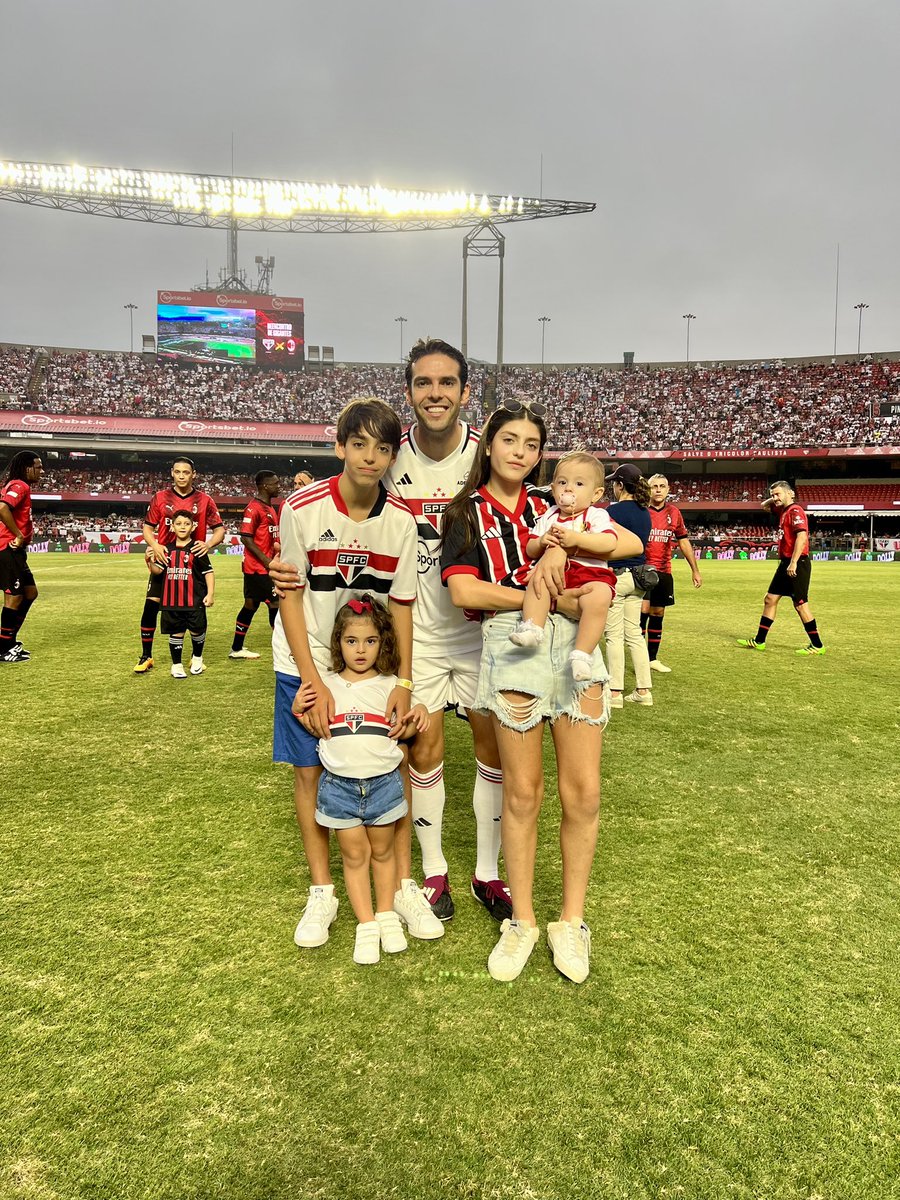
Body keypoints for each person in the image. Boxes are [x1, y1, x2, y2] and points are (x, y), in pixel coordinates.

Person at [440, 400, 642, 984]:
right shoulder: (463, 512)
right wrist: (551, 592)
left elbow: (628, 544)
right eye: (509, 439)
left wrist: (562, 545)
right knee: (522, 794)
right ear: (489, 444)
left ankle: (571, 920)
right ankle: (523, 920)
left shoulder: (554, 502)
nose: (520, 452)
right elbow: (466, 595)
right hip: (516, 644)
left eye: (532, 444)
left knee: (583, 793)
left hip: (577, 644)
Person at [272, 397, 443, 950]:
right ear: (340, 445)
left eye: (384, 447)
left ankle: (401, 886)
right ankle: (323, 891)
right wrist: (311, 680)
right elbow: (291, 600)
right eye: (360, 444)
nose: (371, 457)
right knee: (310, 770)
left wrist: (404, 681)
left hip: (374, 662)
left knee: (393, 759)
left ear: (394, 456)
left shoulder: (400, 522)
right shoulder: (300, 509)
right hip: (306, 660)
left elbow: (403, 607)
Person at [388, 338, 509, 924]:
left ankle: (487, 872)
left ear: (464, 391)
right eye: (423, 383)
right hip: (421, 638)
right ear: (409, 390)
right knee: (424, 752)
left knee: (493, 753)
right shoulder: (389, 457)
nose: (434, 393)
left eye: (446, 383)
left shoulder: (486, 457)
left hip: (484, 633)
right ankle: (434, 870)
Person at [294, 596, 431, 964]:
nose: (360, 649)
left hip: (384, 785)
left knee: (383, 853)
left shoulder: (391, 684)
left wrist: (418, 711)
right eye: (351, 641)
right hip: (338, 788)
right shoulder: (325, 684)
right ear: (337, 642)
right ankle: (366, 924)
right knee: (355, 857)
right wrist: (298, 708)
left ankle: (386, 914)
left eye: (370, 641)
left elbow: (411, 717)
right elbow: (306, 716)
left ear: (383, 643)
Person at [509, 451, 617, 681]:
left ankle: (582, 654)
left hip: (590, 574)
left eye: (579, 484)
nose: (568, 489)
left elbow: (609, 542)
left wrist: (577, 541)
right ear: (552, 488)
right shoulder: (549, 515)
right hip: (555, 575)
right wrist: (540, 542)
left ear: (596, 493)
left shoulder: (596, 515)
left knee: (600, 597)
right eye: (562, 482)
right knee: (537, 584)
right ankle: (532, 628)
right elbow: (529, 548)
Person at [134, 457, 224, 674]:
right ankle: (146, 656)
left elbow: (219, 529)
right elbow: (147, 528)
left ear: (194, 474)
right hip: (165, 560)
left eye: (186, 472)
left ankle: (196, 657)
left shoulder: (205, 500)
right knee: (150, 607)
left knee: (195, 610)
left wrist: (208, 544)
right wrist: (155, 545)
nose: (182, 476)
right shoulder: (160, 498)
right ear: (172, 473)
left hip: (192, 564)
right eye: (178, 472)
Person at [737, 480, 825, 655]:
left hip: (797, 563)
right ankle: (759, 641)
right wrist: (776, 499)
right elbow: (763, 506)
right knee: (770, 599)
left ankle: (817, 645)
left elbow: (801, 537)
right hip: (785, 563)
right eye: (773, 494)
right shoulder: (783, 510)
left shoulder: (796, 511)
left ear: (790, 493)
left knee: (800, 605)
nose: (774, 498)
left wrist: (793, 562)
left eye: (778, 494)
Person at [640, 473, 703, 673]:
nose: (658, 489)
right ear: (648, 489)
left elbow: (683, 541)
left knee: (658, 612)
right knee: (642, 613)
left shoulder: (674, 513)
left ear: (668, 489)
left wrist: (695, 569)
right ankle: (639, 657)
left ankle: (652, 658)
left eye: (662, 486)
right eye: (654, 486)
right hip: (642, 570)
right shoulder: (641, 511)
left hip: (664, 571)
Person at [604, 463, 653, 708]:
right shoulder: (645, 512)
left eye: (614, 482)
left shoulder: (612, 512)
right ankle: (643, 690)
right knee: (634, 634)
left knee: (613, 635)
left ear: (620, 485)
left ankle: (614, 692)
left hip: (617, 575)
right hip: (639, 578)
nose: (612, 487)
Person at [149, 509, 215, 678]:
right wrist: (149, 560)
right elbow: (157, 571)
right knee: (176, 632)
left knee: (197, 631)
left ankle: (197, 658)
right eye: (178, 524)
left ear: (193, 527)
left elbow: (208, 572)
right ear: (172, 527)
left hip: (194, 599)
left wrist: (210, 594)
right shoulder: (166, 550)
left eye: (187, 524)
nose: (182, 527)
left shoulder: (198, 548)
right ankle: (176, 665)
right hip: (172, 601)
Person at [229, 470, 282, 660]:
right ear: (265, 486)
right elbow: (246, 538)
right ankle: (282, 648)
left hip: (263, 566)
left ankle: (236, 648)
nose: (278, 486)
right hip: (258, 568)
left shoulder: (269, 508)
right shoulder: (254, 508)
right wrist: (267, 561)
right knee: (275, 603)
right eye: (275, 483)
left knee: (251, 604)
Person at [0, 450, 42, 663]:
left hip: (16, 551)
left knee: (30, 593)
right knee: (14, 597)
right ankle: (4, 647)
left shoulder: (18, 485)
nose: (41, 472)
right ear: (27, 468)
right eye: (38, 467)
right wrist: (18, 534)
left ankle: (9, 642)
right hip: (8, 549)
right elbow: (2, 508)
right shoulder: (20, 485)